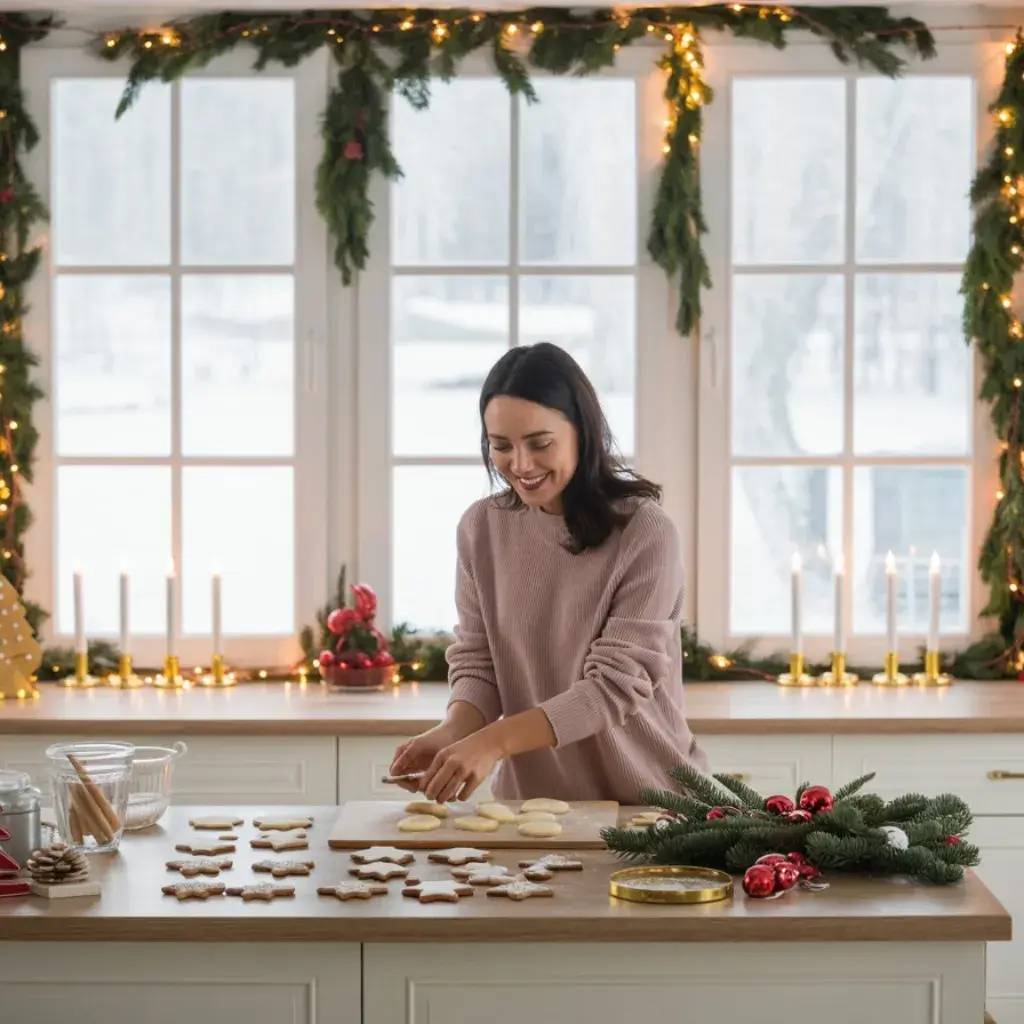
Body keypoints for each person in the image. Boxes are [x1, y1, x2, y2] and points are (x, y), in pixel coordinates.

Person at [389, 342, 708, 804]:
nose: (520, 465)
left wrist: (491, 743)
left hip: (650, 805)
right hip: (530, 809)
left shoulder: (645, 532)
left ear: (582, 431)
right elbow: (480, 663)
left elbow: (614, 687)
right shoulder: (481, 528)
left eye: (540, 444)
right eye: (501, 446)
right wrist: (454, 731)